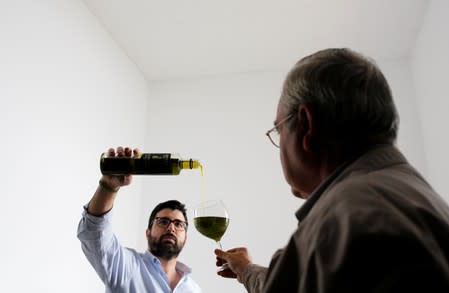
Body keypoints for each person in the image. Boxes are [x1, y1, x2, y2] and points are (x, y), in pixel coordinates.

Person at [214, 48, 449, 292]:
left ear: (306, 125)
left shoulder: (343, 219)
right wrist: (246, 270)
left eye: (279, 130)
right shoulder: (417, 197)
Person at [77, 146, 202, 293]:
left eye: (179, 224)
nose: (171, 228)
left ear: (186, 237)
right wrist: (109, 186)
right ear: (148, 232)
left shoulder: (193, 289)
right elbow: (94, 234)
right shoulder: (126, 267)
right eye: (163, 221)